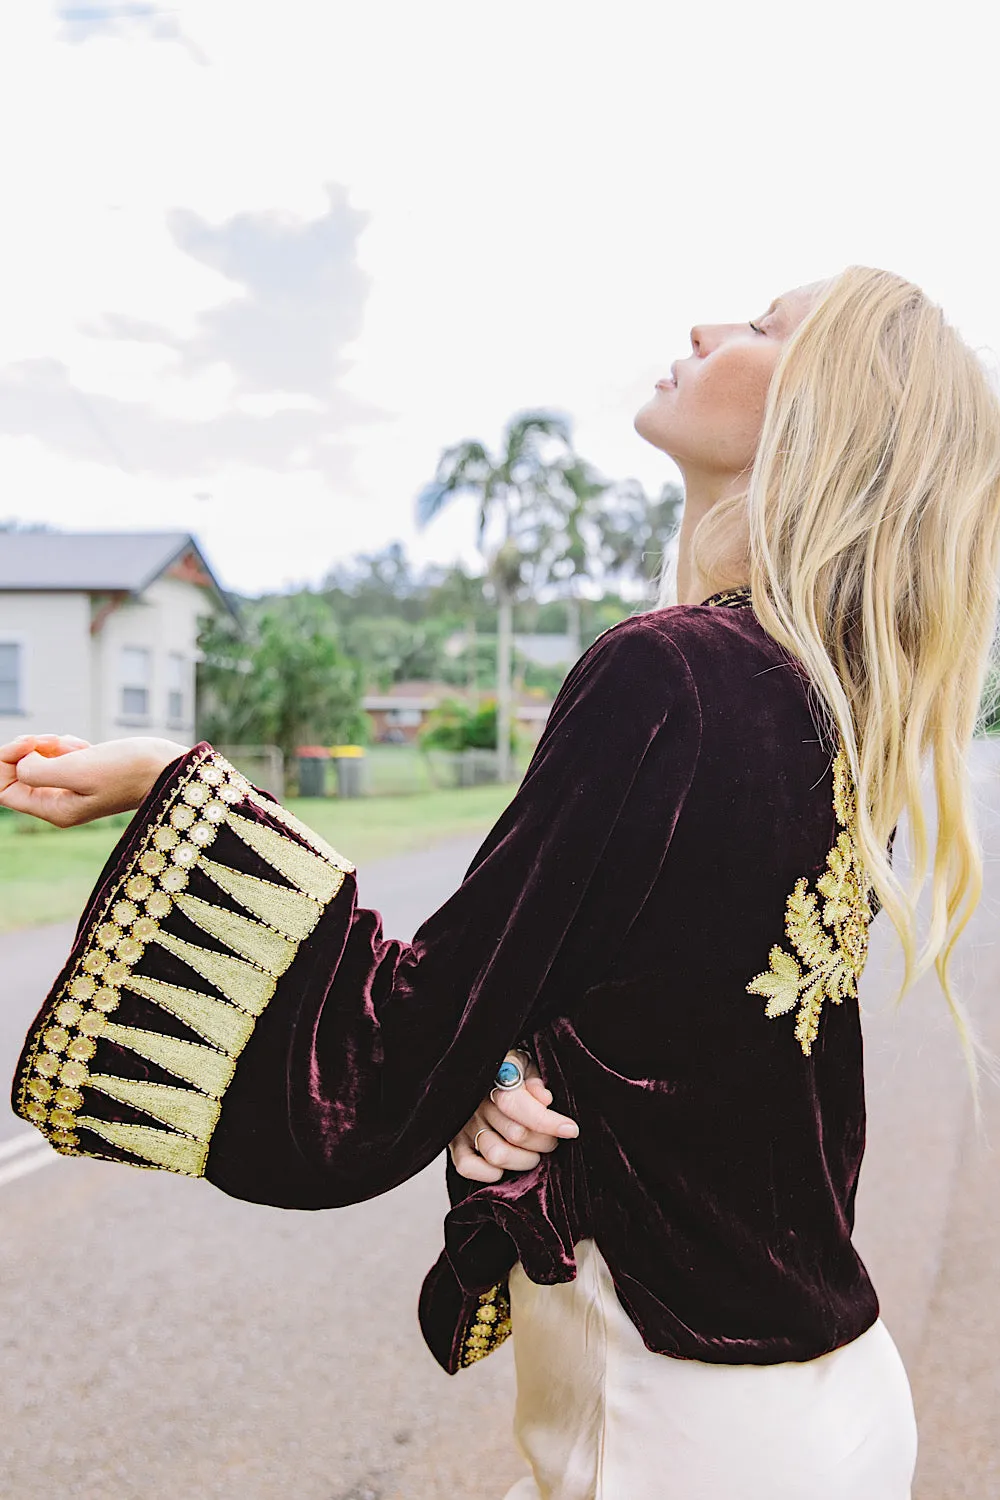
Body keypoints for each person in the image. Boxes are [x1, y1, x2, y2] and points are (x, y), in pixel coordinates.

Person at [6, 266, 1000, 1499]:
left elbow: (395, 1048)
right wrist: (518, 1075)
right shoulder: (836, 708)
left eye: (758, 325)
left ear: (824, 417)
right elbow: (676, 1032)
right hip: (828, 1404)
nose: (703, 326)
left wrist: (174, 780)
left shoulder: (671, 673)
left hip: (679, 1430)